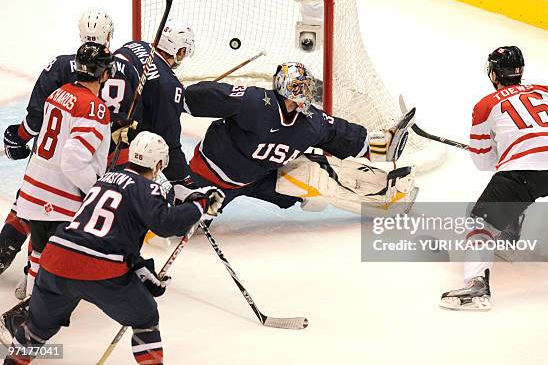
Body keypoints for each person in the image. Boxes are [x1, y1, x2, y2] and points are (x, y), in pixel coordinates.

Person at [2, 132, 224, 365]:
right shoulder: (147, 189)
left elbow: (112, 234)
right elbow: (166, 223)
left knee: (37, 330)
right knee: (146, 318)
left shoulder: (103, 180)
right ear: (158, 164)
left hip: (56, 256)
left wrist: (140, 270)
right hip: (97, 266)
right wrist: (200, 205)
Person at [439, 46, 548, 311]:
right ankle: (509, 230)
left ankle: (476, 287)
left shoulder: (486, 105)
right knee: (513, 190)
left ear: (493, 74)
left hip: (524, 176)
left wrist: (507, 157)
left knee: (481, 220)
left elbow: (483, 162)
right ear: (520, 71)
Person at [0, 9, 140, 280]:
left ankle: (14, 257)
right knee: (70, 221)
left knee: (33, 207)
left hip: (58, 158)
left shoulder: (63, 65)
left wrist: (20, 137)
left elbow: (36, 118)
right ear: (109, 36)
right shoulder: (130, 71)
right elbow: (132, 120)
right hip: (101, 156)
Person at [182, 62, 416, 218]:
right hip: (209, 176)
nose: (302, 94)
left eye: (305, 88)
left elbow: (337, 133)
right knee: (175, 225)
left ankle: (387, 200)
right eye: (297, 88)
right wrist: (168, 98)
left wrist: (378, 146)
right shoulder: (253, 102)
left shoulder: (311, 122)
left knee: (319, 177)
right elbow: (196, 98)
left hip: (261, 178)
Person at [12, 42, 116, 297]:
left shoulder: (58, 94)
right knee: (59, 260)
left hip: (32, 190)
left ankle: (32, 306)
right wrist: (95, 190)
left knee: (38, 253)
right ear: (104, 74)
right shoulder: (94, 108)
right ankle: (37, 316)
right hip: (59, 197)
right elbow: (72, 158)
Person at [114, 19, 196, 187]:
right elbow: (168, 141)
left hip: (97, 118)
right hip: (120, 143)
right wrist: (184, 180)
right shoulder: (169, 86)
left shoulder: (133, 45)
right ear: (179, 51)